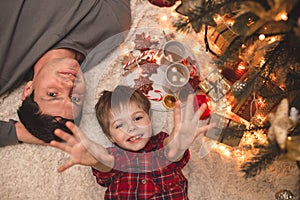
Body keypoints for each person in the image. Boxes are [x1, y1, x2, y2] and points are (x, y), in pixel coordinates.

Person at [0, 0, 131, 147]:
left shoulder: (5, 68)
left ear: (28, 90)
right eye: (75, 98)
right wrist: (24, 132)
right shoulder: (113, 27)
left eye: (52, 94)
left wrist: (16, 131)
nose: (69, 85)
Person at [50, 85, 213, 199]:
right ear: (110, 137)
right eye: (119, 125)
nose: (131, 127)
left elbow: (172, 152)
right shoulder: (115, 157)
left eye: (138, 118)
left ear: (149, 118)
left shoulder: (161, 144)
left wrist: (179, 143)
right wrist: (94, 156)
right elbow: (105, 161)